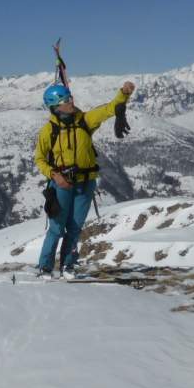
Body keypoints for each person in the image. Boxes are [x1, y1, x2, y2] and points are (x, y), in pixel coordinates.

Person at [34, 80, 136, 277]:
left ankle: (68, 265)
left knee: (75, 227)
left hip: (86, 183)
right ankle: (45, 267)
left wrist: (124, 93)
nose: (71, 101)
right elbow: (39, 159)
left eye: (70, 98)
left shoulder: (85, 121)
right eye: (66, 100)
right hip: (62, 184)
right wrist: (55, 175)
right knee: (56, 228)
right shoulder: (48, 131)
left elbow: (109, 109)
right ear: (55, 106)